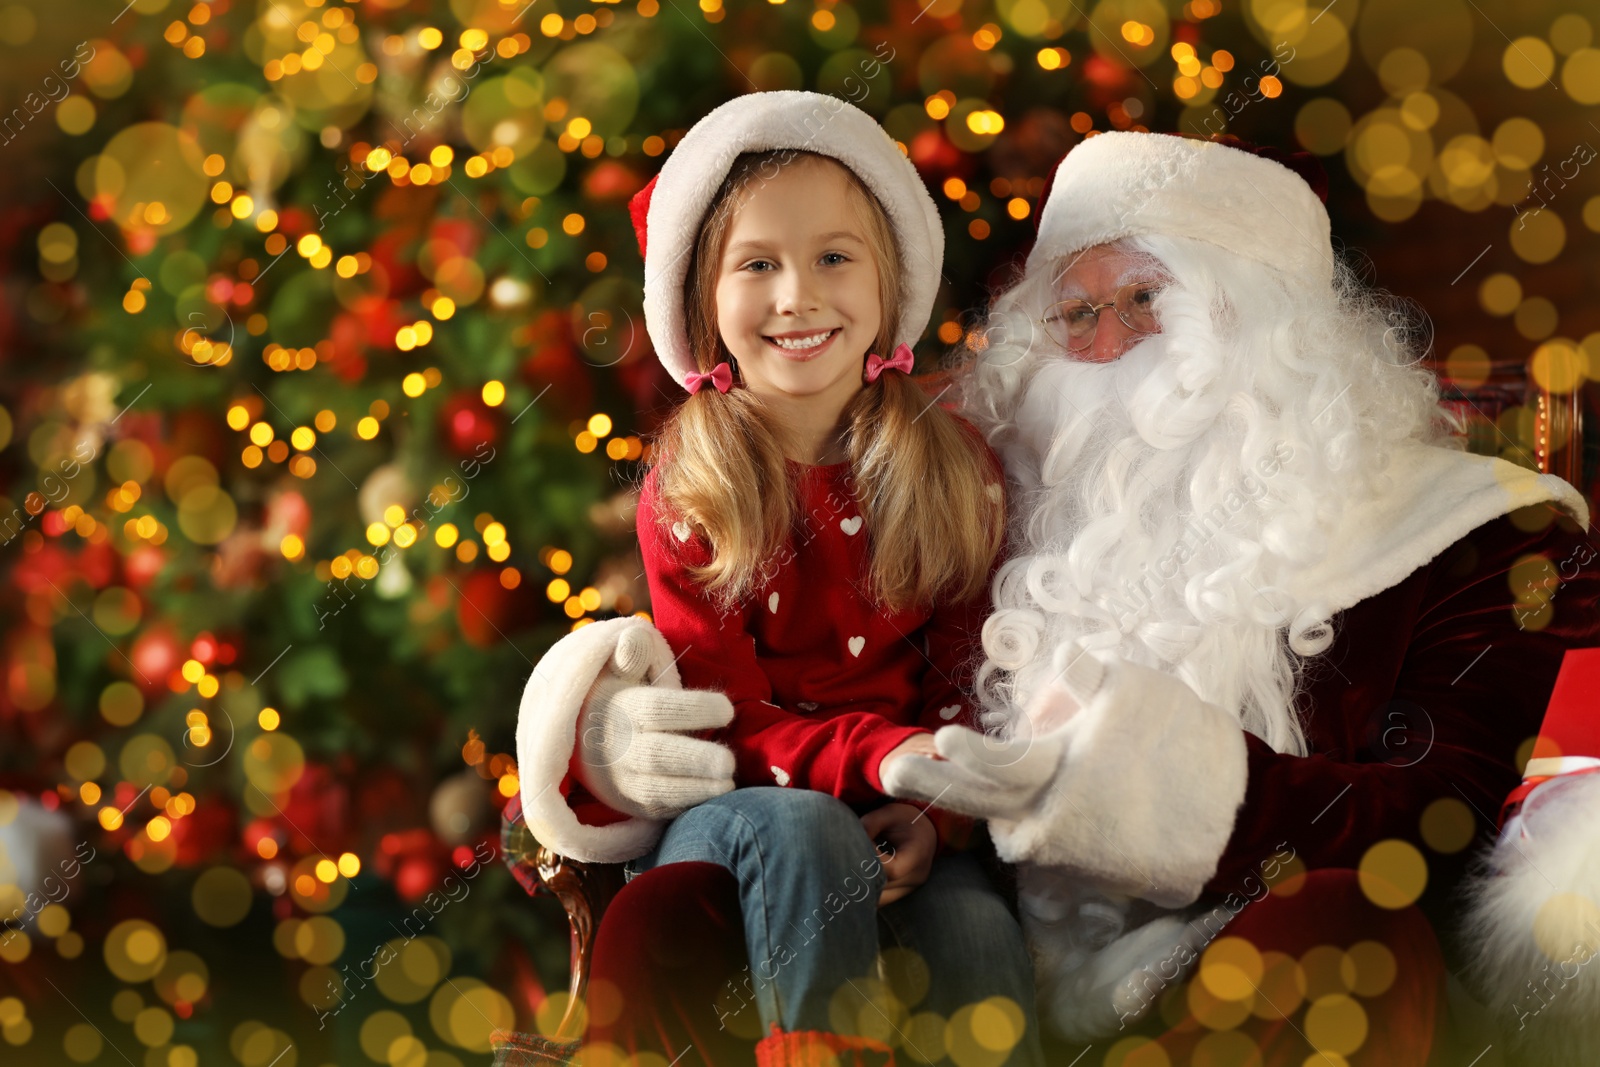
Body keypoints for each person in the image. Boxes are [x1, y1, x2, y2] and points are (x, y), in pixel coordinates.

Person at [521, 130, 1599, 1064]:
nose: (1105, 342)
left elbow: (1444, 814)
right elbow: (824, 669)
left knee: (1341, 933)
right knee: (666, 917)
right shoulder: (988, 476)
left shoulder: (1461, 533)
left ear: (1263, 319)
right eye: (1073, 310)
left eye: (1145, 298)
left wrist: (1180, 795)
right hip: (964, 944)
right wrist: (609, 723)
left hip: (1228, 969)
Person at [514, 90, 1043, 1066]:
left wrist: (931, 808)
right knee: (804, 829)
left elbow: (967, 675)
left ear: (889, 284)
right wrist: (874, 756)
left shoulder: (952, 464)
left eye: (834, 257)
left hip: (899, 798)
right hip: (738, 811)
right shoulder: (695, 486)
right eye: (756, 264)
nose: (797, 295)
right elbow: (722, 714)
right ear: (702, 303)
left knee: (973, 928)